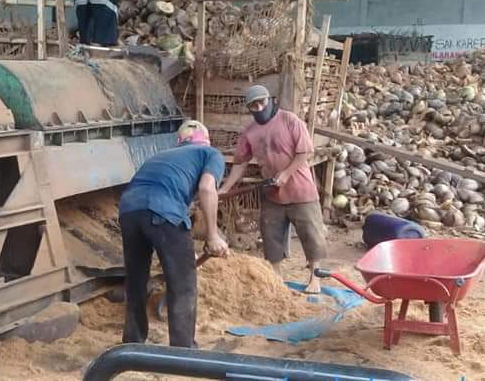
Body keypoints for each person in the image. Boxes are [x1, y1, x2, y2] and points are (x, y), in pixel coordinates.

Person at [117, 120, 228, 347]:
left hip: (128, 209)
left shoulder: (163, 155)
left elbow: (159, 186)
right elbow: (207, 188)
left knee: (136, 280)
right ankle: (182, 350)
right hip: (162, 209)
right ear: (206, 139)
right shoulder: (210, 153)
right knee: (182, 282)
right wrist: (213, 236)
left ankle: (132, 343)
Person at [218, 85, 327, 294]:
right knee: (271, 236)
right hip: (272, 192)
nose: (259, 107)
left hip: (300, 190)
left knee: (311, 234)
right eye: (254, 105)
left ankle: (315, 278)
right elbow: (240, 162)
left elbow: (305, 151)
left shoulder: (290, 120)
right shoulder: (250, 132)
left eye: (262, 102)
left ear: (270, 100)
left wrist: (286, 174)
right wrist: (226, 187)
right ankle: (276, 278)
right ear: (249, 108)